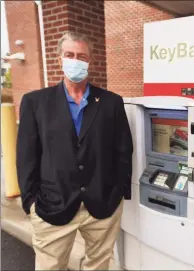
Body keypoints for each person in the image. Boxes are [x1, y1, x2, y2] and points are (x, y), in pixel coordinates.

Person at [16, 32, 133, 270]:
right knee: (50, 266)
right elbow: (26, 155)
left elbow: (123, 149)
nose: (75, 61)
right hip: (51, 205)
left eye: (81, 56)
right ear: (59, 58)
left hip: (103, 204)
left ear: (90, 61)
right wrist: (30, 201)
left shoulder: (111, 102)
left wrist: (121, 191)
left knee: (99, 264)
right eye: (69, 55)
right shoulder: (35, 102)